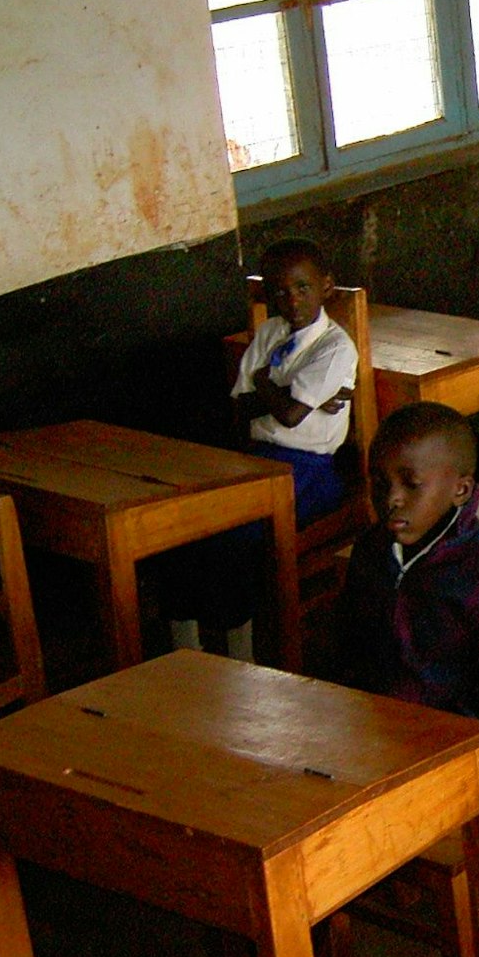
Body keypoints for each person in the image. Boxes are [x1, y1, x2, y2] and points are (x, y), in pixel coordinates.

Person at [205, 403, 479, 957]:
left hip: (471, 755)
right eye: (379, 482)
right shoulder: (371, 552)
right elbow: (350, 656)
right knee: (260, 805)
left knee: (317, 842)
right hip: (376, 742)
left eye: (412, 484)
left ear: (462, 489)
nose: (391, 500)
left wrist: (414, 744)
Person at [166, 237, 358, 661]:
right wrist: (289, 393)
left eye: (302, 288)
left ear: (326, 286)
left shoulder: (336, 347)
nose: (291, 300)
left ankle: (239, 654)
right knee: (182, 523)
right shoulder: (271, 331)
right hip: (256, 458)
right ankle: (184, 646)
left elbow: (287, 416)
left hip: (310, 472)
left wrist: (269, 386)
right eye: (279, 292)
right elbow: (242, 402)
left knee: (231, 534)